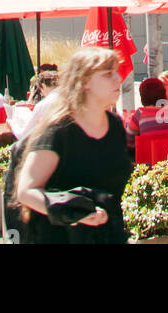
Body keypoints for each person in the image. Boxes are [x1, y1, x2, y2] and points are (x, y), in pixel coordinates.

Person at [11, 46, 131, 245]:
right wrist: (72, 212)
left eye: (116, 72)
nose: (118, 78)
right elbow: (25, 191)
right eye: (108, 74)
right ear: (85, 82)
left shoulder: (116, 126)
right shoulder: (59, 131)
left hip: (108, 235)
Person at [125, 77, 168, 144]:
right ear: (163, 93)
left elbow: (128, 140)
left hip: (150, 153)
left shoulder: (141, 113)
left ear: (143, 96)